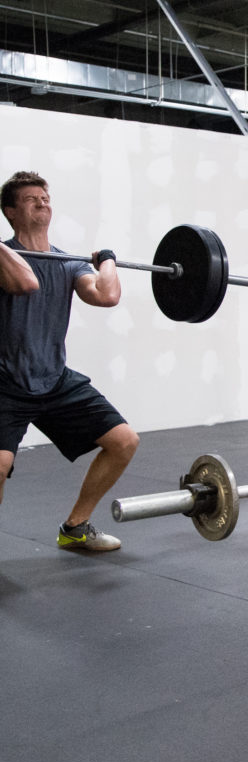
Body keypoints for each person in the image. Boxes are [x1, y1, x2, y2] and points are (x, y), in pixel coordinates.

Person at [0, 171, 139, 551]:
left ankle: (75, 528)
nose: (43, 202)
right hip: (6, 383)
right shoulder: (4, 256)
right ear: (10, 212)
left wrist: (106, 261)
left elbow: (106, 296)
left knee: (124, 441)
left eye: (45, 197)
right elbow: (27, 283)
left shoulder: (68, 262)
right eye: (31, 199)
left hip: (54, 378)